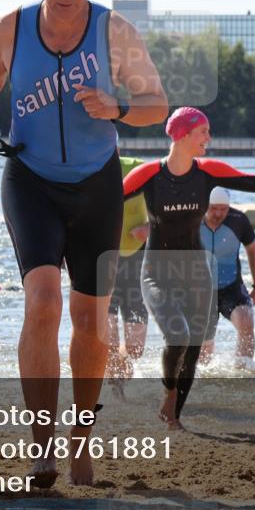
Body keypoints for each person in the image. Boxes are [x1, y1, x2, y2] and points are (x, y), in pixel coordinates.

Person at [0, 0, 168, 486]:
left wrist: (118, 106)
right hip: (30, 179)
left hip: (97, 185)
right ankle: (42, 446)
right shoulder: (10, 27)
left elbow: (157, 105)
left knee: (89, 321)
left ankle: (81, 438)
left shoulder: (114, 32)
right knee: (44, 301)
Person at [124, 107, 255, 431]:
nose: (209, 138)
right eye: (204, 132)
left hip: (196, 274)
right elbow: (109, 201)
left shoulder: (208, 172)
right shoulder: (149, 174)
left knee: (195, 344)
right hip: (156, 272)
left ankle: (173, 415)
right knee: (178, 336)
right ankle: (169, 393)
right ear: (183, 135)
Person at [198, 187, 255, 365]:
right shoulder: (192, 219)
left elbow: (252, 250)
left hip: (231, 287)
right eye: (213, 208)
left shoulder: (238, 220)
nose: (218, 214)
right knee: (204, 348)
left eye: (223, 209)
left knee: (245, 319)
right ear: (204, 205)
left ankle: (243, 372)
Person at [106, 155, 150, 387]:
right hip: (104, 266)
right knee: (109, 340)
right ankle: (114, 393)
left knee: (135, 349)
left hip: (137, 265)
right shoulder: (87, 169)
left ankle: (120, 367)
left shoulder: (140, 168)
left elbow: (167, 209)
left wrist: (150, 227)